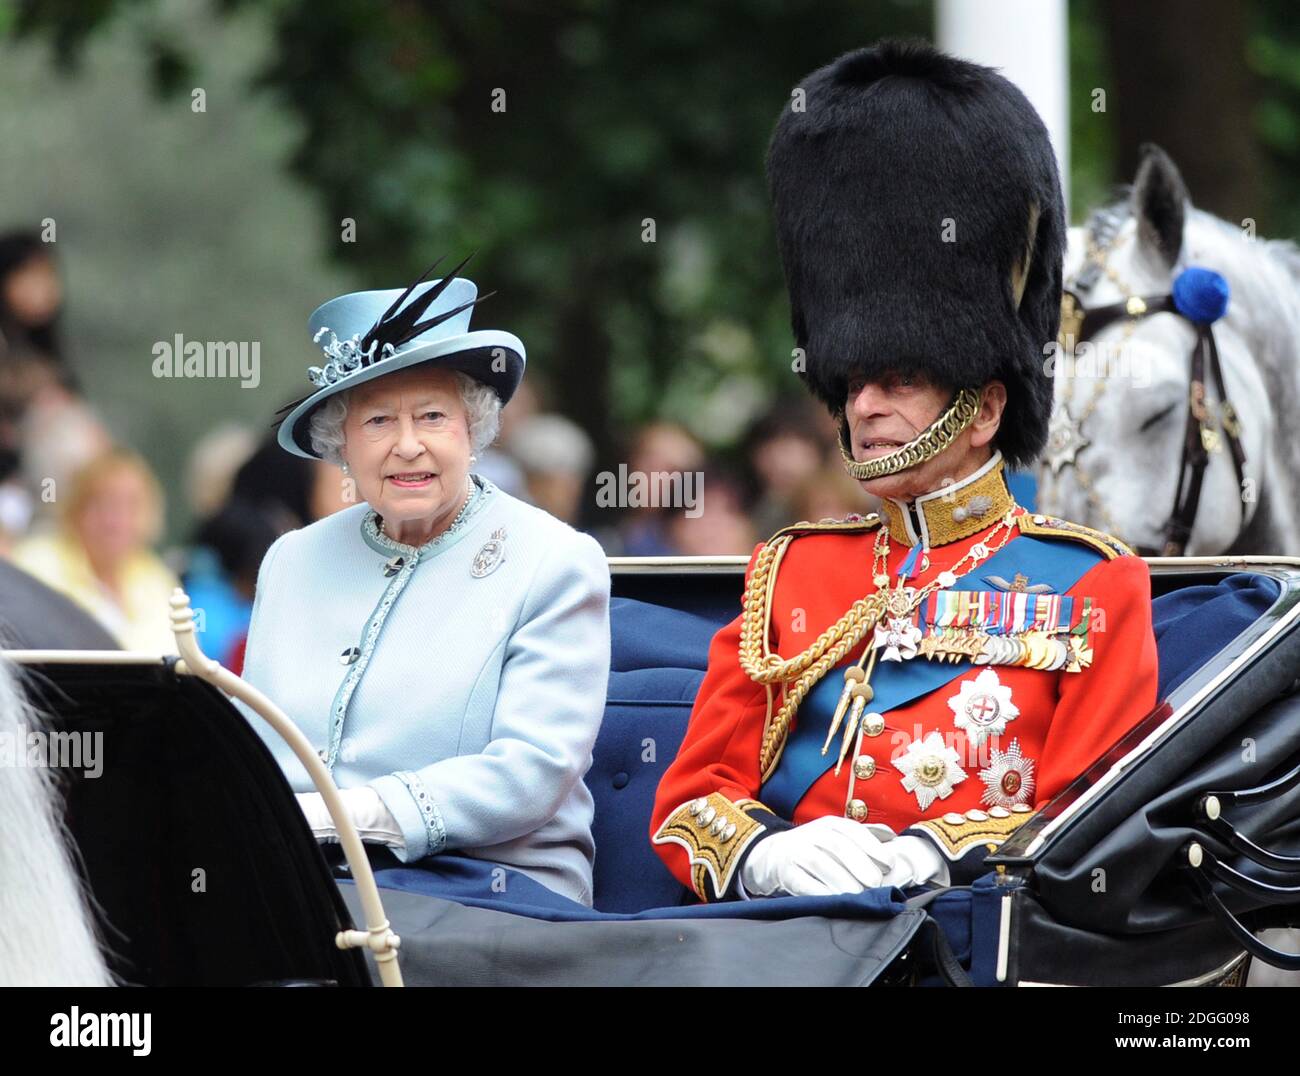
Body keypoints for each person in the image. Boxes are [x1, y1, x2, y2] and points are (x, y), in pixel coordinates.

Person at [650, 40, 1159, 902]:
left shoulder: (1094, 585)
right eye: (854, 382)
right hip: (781, 933)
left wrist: (940, 850)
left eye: (901, 380)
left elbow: (1095, 810)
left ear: (985, 408)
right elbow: (691, 798)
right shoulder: (791, 570)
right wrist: (761, 856)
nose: (864, 407)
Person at [237, 259, 611, 907]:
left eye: (432, 417)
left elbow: (530, 775)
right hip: (306, 883)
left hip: (489, 889)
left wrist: (347, 817)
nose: (407, 445)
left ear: (474, 432)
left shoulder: (555, 559)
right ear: (342, 445)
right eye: (378, 421)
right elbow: (255, 750)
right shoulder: (291, 561)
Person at [11, 447, 179, 652]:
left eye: (131, 506)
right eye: (102, 504)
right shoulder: (36, 563)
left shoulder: (157, 580)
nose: (117, 520)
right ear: (75, 509)